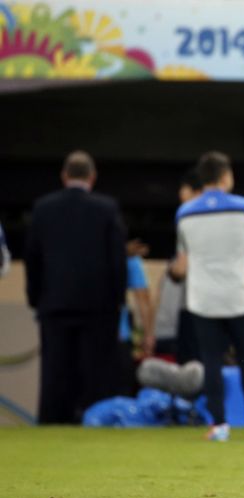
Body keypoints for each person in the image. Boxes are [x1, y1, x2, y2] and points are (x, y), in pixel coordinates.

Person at [173, 151, 244, 442]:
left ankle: (219, 426)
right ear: (225, 176)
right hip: (238, 295)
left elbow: (184, 251)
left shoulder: (185, 212)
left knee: (211, 361)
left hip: (203, 299)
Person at [24, 150, 127, 424]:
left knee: (56, 372)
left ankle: (52, 423)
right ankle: (96, 421)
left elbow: (33, 258)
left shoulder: (43, 208)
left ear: (64, 176)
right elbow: (118, 260)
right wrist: (118, 300)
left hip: (55, 303)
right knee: (97, 372)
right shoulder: (107, 209)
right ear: (92, 177)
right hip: (99, 306)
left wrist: (36, 297)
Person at [154, 170, 202, 364]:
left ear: (197, 192)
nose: (181, 194)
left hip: (193, 310)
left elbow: (181, 269)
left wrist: (173, 270)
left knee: (190, 368)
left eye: (184, 189)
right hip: (215, 307)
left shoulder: (190, 221)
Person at [117, 249, 155, 395]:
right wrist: (149, 335)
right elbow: (143, 299)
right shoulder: (127, 256)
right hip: (118, 335)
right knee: (122, 393)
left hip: (82, 333)